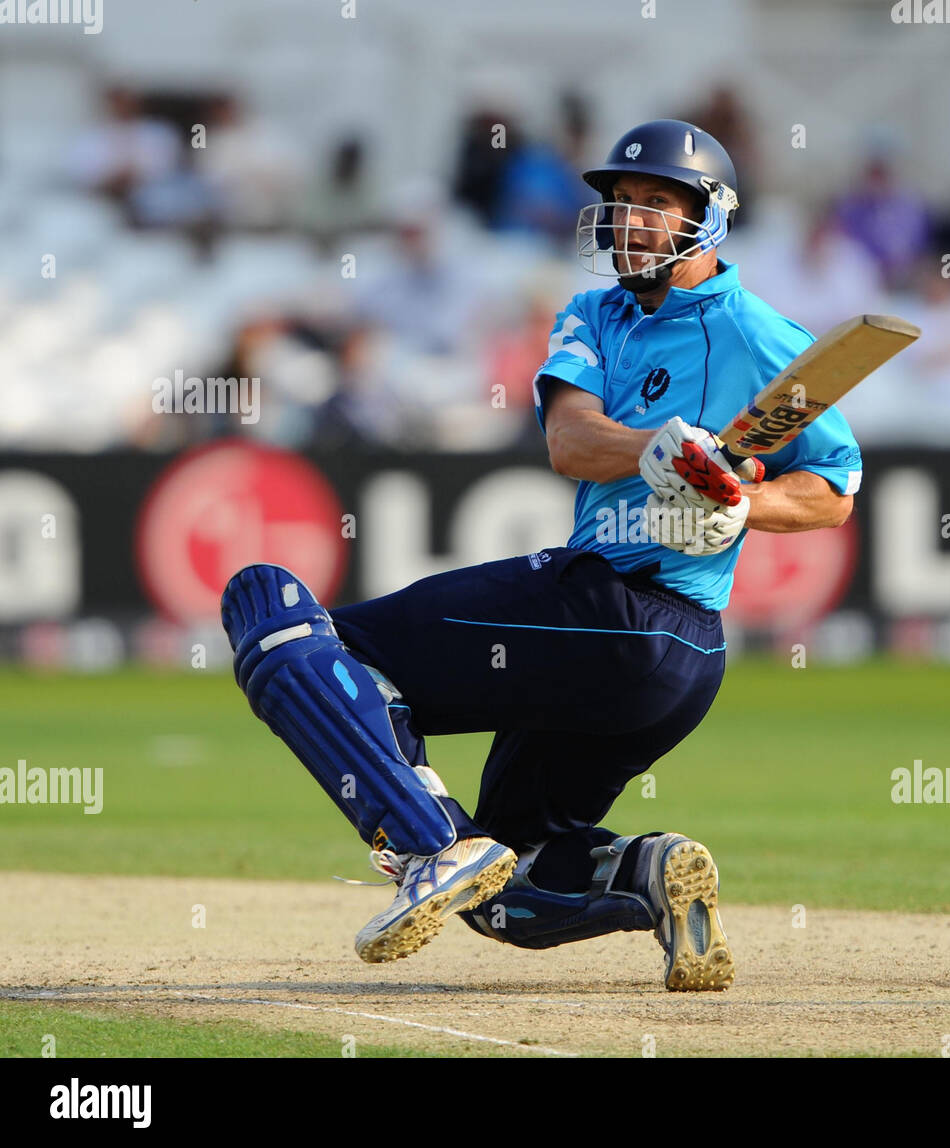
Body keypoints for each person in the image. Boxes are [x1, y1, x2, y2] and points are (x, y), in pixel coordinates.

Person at [218, 119, 862, 991]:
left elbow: (832, 489)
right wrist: (658, 452)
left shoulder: (763, 338)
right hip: (660, 662)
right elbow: (569, 439)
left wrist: (746, 505)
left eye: (655, 204)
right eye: (621, 203)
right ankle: (645, 873)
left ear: (708, 216)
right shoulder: (593, 311)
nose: (630, 221)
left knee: (278, 613)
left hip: (632, 616)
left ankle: (425, 842)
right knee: (507, 893)